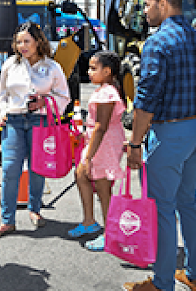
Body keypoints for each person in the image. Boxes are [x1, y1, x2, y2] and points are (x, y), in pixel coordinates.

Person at [123, 0, 196, 291]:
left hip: (172, 132)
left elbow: (146, 101)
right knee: (188, 201)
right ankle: (195, 274)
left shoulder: (157, 43)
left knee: (162, 209)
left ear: (163, 4)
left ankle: (162, 283)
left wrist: (135, 143)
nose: (145, 10)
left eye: (148, 4)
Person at [0, 21, 70, 239]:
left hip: (40, 123)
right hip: (13, 120)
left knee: (37, 168)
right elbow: (2, 95)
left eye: (27, 41)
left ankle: (35, 210)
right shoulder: (9, 65)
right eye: (19, 41)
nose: (22, 45)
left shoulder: (52, 67)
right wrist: (2, 111)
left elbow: (64, 96)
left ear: (38, 42)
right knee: (9, 169)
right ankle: (7, 220)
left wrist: (44, 101)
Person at [67, 50, 125, 251]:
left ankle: (110, 234)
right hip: (98, 141)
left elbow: (101, 126)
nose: (89, 72)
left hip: (104, 144)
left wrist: (88, 155)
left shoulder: (107, 92)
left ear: (107, 71)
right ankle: (89, 220)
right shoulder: (103, 90)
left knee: (103, 187)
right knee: (81, 175)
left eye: (93, 68)